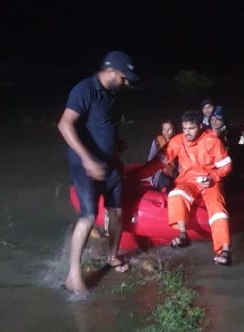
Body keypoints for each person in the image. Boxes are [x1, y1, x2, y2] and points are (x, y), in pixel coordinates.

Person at [57, 50, 139, 294]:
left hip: (111, 164)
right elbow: (64, 124)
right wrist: (87, 159)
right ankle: (73, 276)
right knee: (89, 216)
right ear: (111, 71)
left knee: (116, 211)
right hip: (85, 166)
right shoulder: (85, 89)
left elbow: (103, 126)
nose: (126, 83)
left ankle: (112, 257)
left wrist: (117, 144)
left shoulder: (113, 95)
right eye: (124, 78)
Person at [130, 110, 233, 266]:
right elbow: (157, 163)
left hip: (210, 181)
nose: (187, 133)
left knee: (217, 209)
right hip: (188, 180)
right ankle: (183, 234)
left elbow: (226, 166)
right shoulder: (178, 141)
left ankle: (224, 250)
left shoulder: (212, 141)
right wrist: (134, 175)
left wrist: (213, 178)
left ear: (200, 126)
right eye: (184, 128)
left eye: (191, 128)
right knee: (176, 193)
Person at [146, 117, 178, 191]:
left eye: (169, 129)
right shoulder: (157, 142)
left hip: (174, 172)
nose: (166, 132)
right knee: (165, 181)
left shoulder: (179, 143)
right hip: (159, 173)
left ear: (174, 130)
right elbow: (150, 159)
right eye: (164, 129)